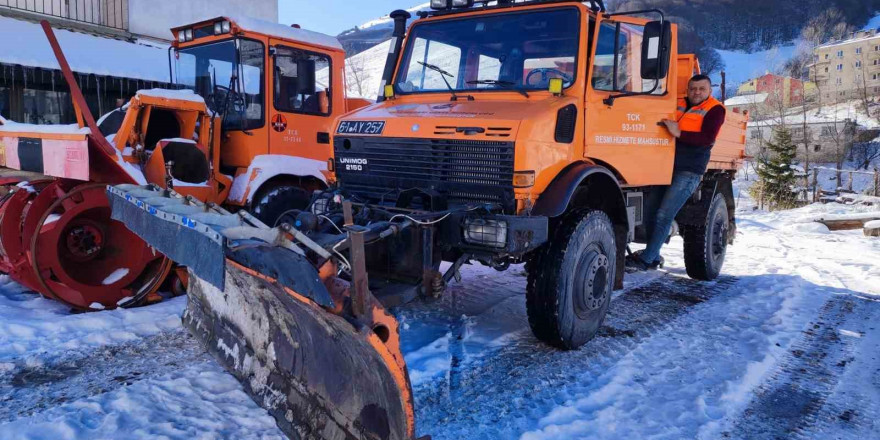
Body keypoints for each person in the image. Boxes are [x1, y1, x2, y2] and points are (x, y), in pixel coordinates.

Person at [626, 74, 726, 271]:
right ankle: (653, 255)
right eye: (693, 88)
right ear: (688, 90)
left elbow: (707, 138)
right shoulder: (677, 103)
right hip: (664, 166)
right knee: (651, 211)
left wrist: (678, 132)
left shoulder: (715, 110)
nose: (697, 92)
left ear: (709, 91)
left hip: (689, 171)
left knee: (664, 214)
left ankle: (647, 259)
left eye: (701, 89)